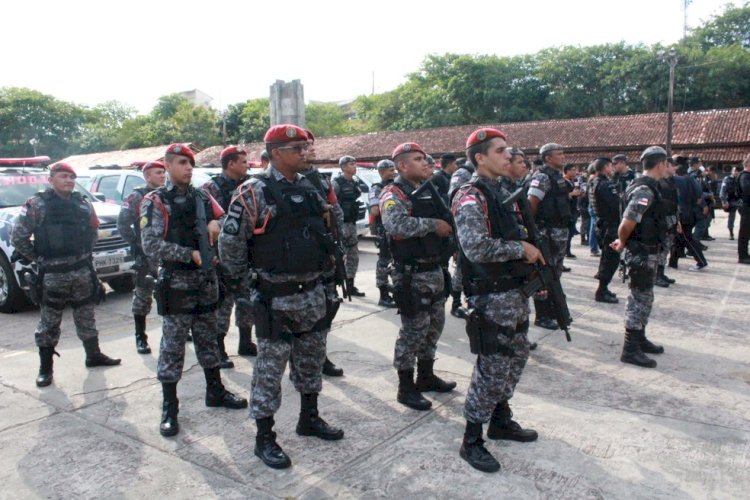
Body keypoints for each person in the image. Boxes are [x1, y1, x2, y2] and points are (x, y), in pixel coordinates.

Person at [218, 125, 343, 470]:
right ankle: (265, 438)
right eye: (296, 148)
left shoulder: (312, 187)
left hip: (313, 292)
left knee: (311, 360)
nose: (305, 152)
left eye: (305, 147)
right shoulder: (253, 191)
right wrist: (249, 287)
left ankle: (309, 418)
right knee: (269, 371)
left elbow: (326, 230)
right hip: (275, 297)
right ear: (275, 154)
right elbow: (230, 245)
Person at [140, 144, 247, 438]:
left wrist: (216, 221)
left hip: (206, 282)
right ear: (169, 166)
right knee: (173, 348)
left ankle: (215, 391)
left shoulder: (202, 195)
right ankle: (170, 408)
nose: (188, 168)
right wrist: (190, 255)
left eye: (191, 163)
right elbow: (150, 245)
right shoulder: (155, 201)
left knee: (209, 342)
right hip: (177, 283)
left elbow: (227, 220)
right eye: (182, 163)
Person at [452, 128, 543, 472]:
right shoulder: (470, 195)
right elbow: (474, 246)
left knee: (515, 358)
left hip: (515, 292)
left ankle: (501, 420)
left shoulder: (501, 191)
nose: (509, 156)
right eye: (501, 150)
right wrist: (521, 248)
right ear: (480, 157)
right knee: (491, 368)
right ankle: (471, 440)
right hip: (491, 296)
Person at [12, 162, 121, 387]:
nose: (69, 181)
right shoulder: (36, 205)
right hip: (53, 273)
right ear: (51, 180)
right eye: (63, 176)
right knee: (49, 321)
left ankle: (93, 355)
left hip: (81, 269)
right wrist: (39, 258)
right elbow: (19, 238)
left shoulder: (83, 204)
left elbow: (93, 232)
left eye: (72, 177)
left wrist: (85, 257)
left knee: (86, 315)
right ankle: (45, 369)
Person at [380, 142, 456, 412]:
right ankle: (405, 386)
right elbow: (395, 224)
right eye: (418, 159)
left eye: (426, 159)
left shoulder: (429, 190)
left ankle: (426, 375)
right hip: (411, 274)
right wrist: (433, 225)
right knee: (412, 332)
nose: (426, 163)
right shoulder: (394, 192)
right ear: (402, 165)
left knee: (434, 327)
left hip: (434, 269)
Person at [610, 146, 669, 369]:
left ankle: (640, 339)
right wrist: (623, 241)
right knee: (638, 298)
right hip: (641, 252)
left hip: (649, 250)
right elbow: (627, 222)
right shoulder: (644, 190)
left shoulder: (649, 187)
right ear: (660, 164)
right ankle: (630, 348)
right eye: (666, 164)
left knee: (645, 297)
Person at [202, 145, 256, 368]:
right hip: (220, 256)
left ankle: (245, 342)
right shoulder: (210, 189)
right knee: (223, 303)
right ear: (231, 163)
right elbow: (206, 225)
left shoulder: (250, 186)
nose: (247, 165)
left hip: (246, 253)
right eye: (243, 161)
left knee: (247, 301)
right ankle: (219, 348)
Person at [300, 129, 346, 376]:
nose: (312, 149)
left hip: (324, 254)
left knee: (327, 306)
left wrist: (337, 248)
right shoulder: (286, 180)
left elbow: (335, 212)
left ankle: (320, 354)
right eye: (306, 145)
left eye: (311, 144)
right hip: (299, 259)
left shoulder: (320, 178)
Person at [117, 160, 166, 354]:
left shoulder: (166, 195)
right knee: (143, 297)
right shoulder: (136, 197)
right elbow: (122, 224)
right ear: (147, 177)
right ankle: (141, 337)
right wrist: (136, 245)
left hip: (166, 253)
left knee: (169, 293)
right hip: (146, 256)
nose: (162, 176)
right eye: (157, 173)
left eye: (163, 172)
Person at [526, 143, 569, 331]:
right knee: (544, 275)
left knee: (554, 274)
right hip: (546, 234)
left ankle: (552, 310)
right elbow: (532, 204)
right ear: (547, 158)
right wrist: (534, 232)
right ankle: (542, 315)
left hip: (559, 233)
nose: (563, 156)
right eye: (558, 154)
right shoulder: (542, 177)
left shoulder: (558, 176)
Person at [589, 157, 621, 302]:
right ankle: (601, 291)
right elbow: (615, 205)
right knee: (611, 259)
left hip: (602, 223)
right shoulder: (605, 184)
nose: (612, 169)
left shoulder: (594, 182)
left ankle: (604, 288)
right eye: (610, 166)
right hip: (610, 225)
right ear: (605, 167)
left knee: (607, 258)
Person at [448, 157, 476, 319]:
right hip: (463, 229)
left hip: (477, 229)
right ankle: (456, 304)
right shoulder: (462, 174)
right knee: (461, 268)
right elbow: (454, 201)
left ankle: (470, 301)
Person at [333, 155, 365, 297]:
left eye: (355, 164)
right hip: (340, 225)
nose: (354, 166)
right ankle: (334, 286)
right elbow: (332, 204)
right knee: (339, 257)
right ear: (344, 166)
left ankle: (351, 286)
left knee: (353, 256)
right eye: (351, 164)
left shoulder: (354, 182)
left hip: (351, 224)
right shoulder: (337, 183)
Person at [369, 159, 398, 307]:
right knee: (384, 262)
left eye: (394, 169)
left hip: (397, 229)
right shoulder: (377, 188)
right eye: (390, 170)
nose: (394, 172)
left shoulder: (397, 186)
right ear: (381, 172)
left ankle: (397, 291)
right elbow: (374, 210)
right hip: (384, 230)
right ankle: (384, 295)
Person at [656, 159, 679, 287]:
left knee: (666, 247)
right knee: (661, 248)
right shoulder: (659, 182)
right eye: (672, 166)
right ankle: (656, 275)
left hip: (672, 218)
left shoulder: (670, 181)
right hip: (663, 219)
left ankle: (661, 272)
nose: (675, 168)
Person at [562, 163, 582, 260]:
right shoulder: (563, 182)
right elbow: (561, 196)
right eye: (573, 170)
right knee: (567, 233)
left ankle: (568, 250)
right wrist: (571, 194)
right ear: (567, 171)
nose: (575, 172)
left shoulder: (572, 181)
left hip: (573, 209)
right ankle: (566, 251)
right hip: (567, 210)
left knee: (570, 232)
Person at [720, 166, 742, 240]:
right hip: (731, 200)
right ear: (732, 171)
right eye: (735, 170)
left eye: (738, 171)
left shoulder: (742, 178)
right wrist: (724, 201)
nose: (736, 172)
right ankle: (731, 232)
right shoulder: (727, 179)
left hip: (741, 199)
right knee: (732, 216)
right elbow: (723, 191)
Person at [738, 155, 750, 264]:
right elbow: (747, 190)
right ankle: (742, 256)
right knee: (744, 233)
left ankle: (745, 254)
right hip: (746, 207)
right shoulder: (745, 176)